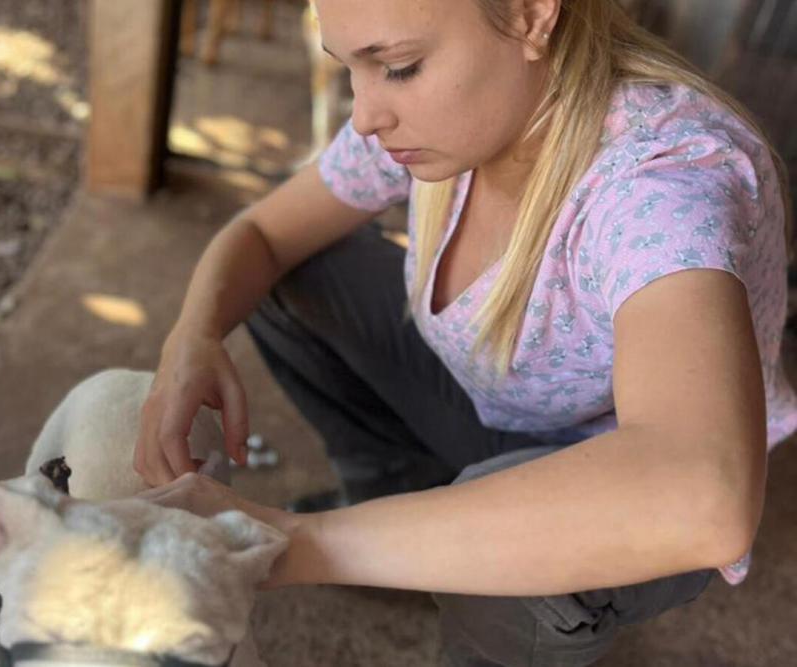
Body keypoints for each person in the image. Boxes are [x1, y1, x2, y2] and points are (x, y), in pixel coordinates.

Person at [132, 1, 796, 664]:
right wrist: (192, 334)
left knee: (512, 586)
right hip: (496, 402)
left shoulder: (664, 178)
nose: (365, 116)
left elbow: (700, 495)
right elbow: (263, 234)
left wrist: (302, 542)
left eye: (399, 66)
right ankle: (398, 504)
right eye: (351, 69)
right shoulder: (445, 118)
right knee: (283, 277)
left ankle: (453, 586)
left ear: (533, 14)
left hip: (617, 475)